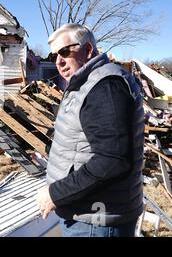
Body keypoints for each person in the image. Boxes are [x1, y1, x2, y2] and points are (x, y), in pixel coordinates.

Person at [35, 23, 145, 237]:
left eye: (65, 51)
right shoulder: (86, 83)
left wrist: (55, 194)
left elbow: (112, 160)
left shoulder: (105, 87)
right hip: (87, 215)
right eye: (54, 55)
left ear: (87, 50)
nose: (59, 61)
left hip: (97, 222)